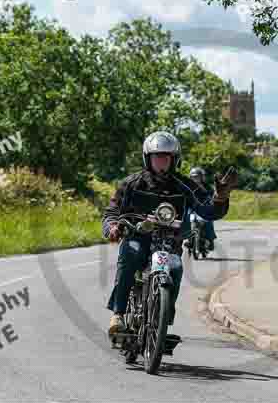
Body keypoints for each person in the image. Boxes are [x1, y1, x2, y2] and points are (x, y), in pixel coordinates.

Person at [102, 131, 238, 339]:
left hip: (169, 241)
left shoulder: (184, 186)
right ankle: (118, 314)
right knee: (131, 253)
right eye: (157, 157)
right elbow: (112, 211)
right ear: (148, 159)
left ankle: (162, 320)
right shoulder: (132, 183)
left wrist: (221, 197)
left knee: (175, 267)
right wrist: (112, 227)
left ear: (174, 160)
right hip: (138, 236)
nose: (161, 162)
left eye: (166, 157)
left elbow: (208, 210)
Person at [187, 167, 217, 251]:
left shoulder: (207, 186)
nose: (195, 179)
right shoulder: (188, 186)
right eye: (193, 177)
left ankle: (210, 239)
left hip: (204, 208)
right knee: (186, 219)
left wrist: (212, 201)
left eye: (197, 177)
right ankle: (189, 240)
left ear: (202, 177)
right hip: (192, 208)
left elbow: (212, 195)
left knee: (208, 221)